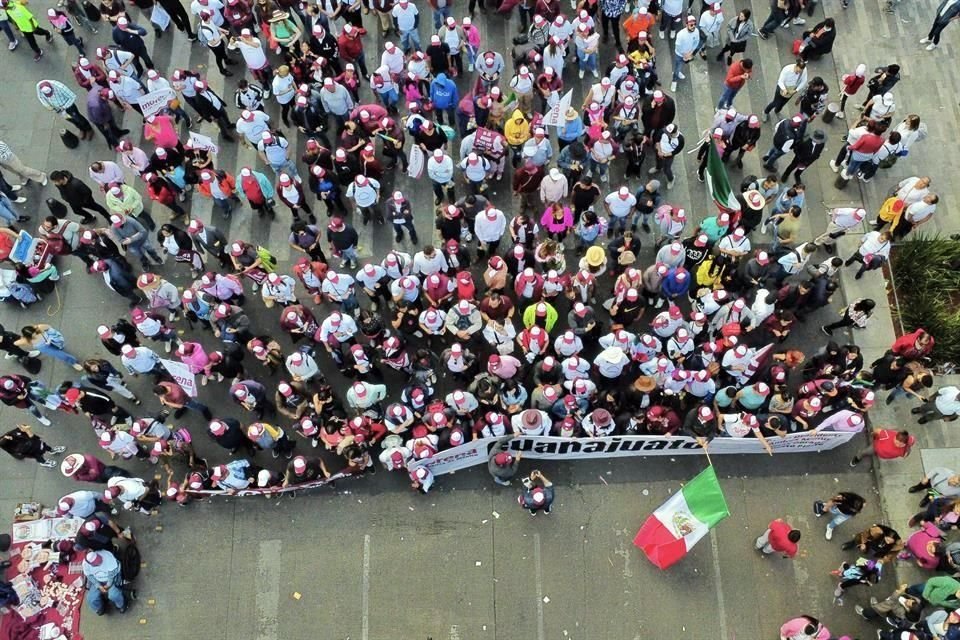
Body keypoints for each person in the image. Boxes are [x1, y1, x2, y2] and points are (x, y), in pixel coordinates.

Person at [82, 549, 128, 615]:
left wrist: (108, 585)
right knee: (91, 598)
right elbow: (90, 576)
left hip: (112, 578)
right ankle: (99, 607)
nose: (100, 562)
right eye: (97, 563)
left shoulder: (107, 555)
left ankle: (122, 604)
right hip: (98, 580)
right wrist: (98, 586)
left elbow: (112, 573)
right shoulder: (85, 564)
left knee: (113, 595)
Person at [850, 428, 915, 466]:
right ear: (895, 436)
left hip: (884, 455)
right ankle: (857, 458)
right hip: (875, 447)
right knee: (864, 452)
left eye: (900, 444)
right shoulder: (887, 435)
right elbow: (878, 430)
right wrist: (872, 434)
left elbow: (912, 441)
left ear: (905, 443)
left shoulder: (905, 450)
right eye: (896, 440)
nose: (896, 444)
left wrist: (907, 449)